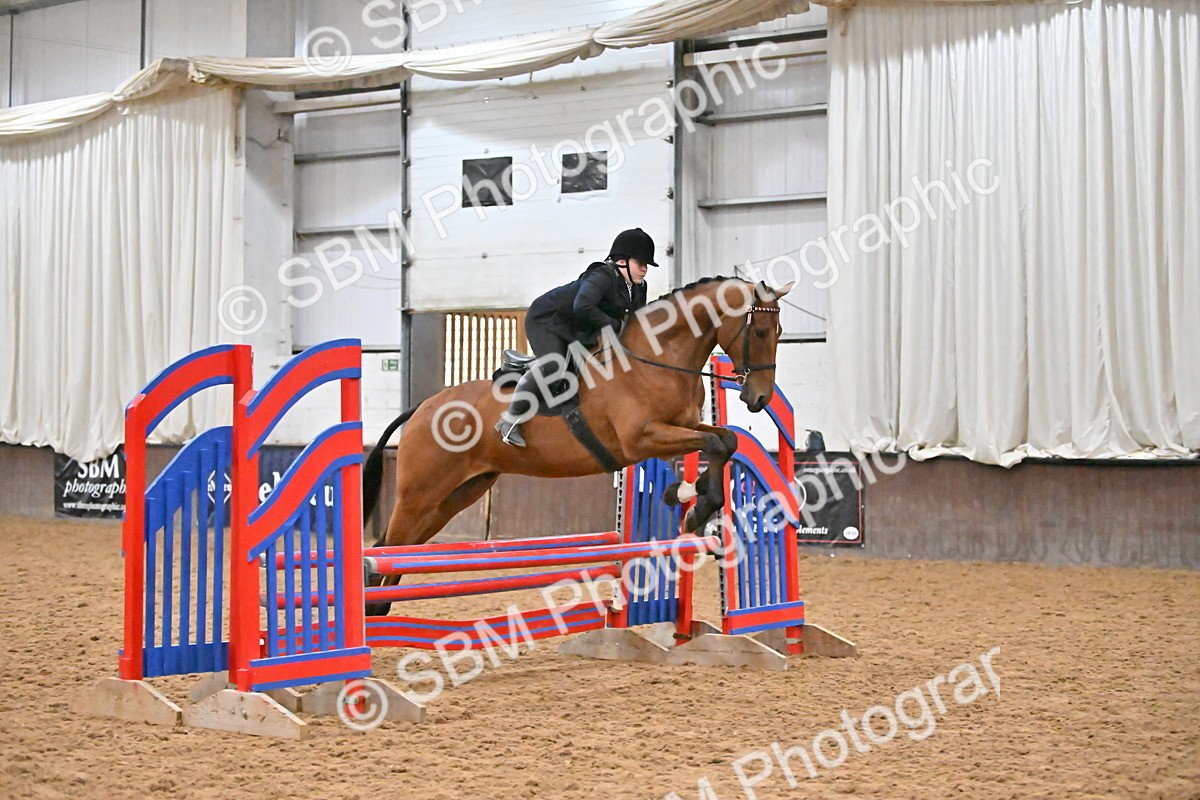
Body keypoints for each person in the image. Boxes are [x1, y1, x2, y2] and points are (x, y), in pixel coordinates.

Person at [495, 228, 658, 447]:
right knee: (555, 366)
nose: (645, 269)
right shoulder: (603, 276)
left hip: (579, 327)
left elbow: (635, 323)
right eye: (640, 263)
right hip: (547, 320)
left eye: (647, 264)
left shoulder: (638, 288)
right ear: (621, 261)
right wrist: (615, 325)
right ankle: (510, 420)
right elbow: (583, 306)